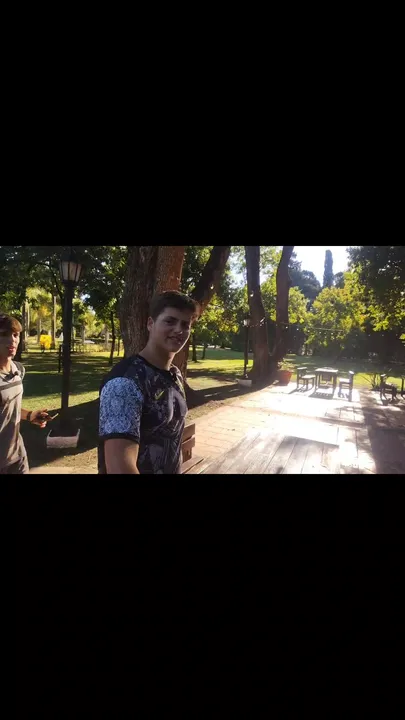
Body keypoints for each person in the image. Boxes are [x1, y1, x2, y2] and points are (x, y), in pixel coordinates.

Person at [98, 291, 199, 474]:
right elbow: (120, 468)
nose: (179, 330)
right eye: (170, 321)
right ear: (150, 324)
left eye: (185, 325)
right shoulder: (125, 382)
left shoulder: (174, 376)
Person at [0, 313, 51, 475]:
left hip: (17, 455)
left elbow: (9, 406)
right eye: (4, 334)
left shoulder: (18, 370)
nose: (12, 340)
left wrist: (30, 415)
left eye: (15, 335)